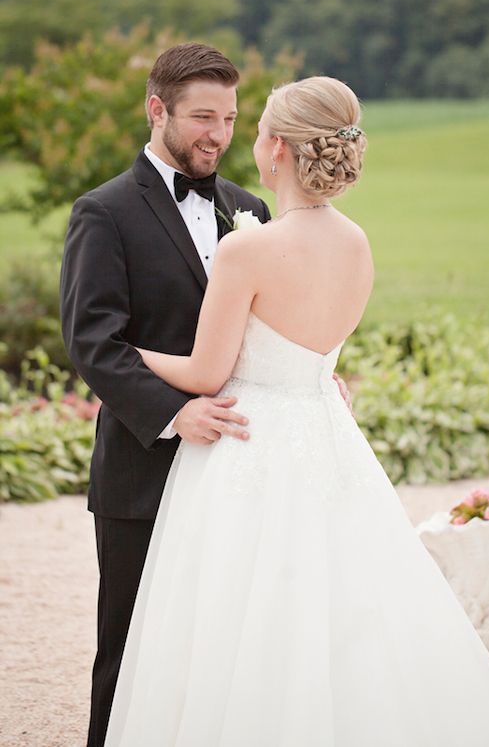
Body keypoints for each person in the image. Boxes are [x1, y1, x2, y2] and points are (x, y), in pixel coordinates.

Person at [103, 76, 489, 746]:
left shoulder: (248, 247)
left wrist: (128, 348)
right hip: (328, 435)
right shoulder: (357, 243)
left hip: (248, 443)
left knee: (237, 614)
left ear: (276, 148)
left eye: (254, 128)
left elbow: (205, 372)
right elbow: (318, 354)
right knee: (344, 602)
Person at [59, 43, 271, 747]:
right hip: (141, 473)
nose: (219, 133)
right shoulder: (104, 212)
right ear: (158, 110)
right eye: (203, 116)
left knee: (224, 652)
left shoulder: (252, 209)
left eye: (231, 118)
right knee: (129, 650)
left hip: (238, 471)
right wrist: (176, 412)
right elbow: (93, 340)